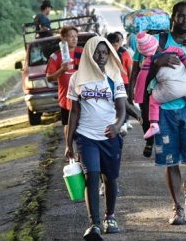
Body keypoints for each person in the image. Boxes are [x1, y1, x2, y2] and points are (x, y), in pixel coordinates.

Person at [131, 1, 186, 225]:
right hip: (163, 112)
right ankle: (177, 207)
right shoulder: (159, 42)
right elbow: (142, 72)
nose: (185, 21)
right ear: (173, 17)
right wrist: (157, 62)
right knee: (170, 160)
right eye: (181, 16)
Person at [64, 37, 127, 240]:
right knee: (92, 175)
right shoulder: (76, 79)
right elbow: (73, 113)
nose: (101, 56)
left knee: (110, 178)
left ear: (109, 54)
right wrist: (69, 143)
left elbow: (121, 107)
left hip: (109, 137)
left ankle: (110, 216)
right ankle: (94, 224)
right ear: (89, 54)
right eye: (97, 52)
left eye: (104, 52)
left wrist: (117, 126)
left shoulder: (114, 76)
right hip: (86, 136)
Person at [134, 31, 186, 140]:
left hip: (173, 89)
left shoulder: (149, 61)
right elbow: (185, 58)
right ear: (157, 44)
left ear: (144, 54)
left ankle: (154, 124)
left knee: (154, 100)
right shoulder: (172, 49)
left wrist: (138, 97)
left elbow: (141, 78)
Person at [47, 26, 83, 140]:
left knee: (82, 125)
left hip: (82, 96)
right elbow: (49, 78)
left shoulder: (82, 53)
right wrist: (62, 70)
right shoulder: (56, 56)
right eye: (71, 36)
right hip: (66, 99)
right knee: (68, 125)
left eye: (76, 36)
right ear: (63, 38)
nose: (74, 39)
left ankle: (82, 152)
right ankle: (70, 150)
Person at [106, 32, 135, 135]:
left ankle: (123, 123)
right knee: (116, 104)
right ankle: (118, 123)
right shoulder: (105, 54)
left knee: (122, 103)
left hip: (124, 82)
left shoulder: (124, 53)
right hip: (110, 82)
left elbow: (130, 70)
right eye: (113, 44)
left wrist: (132, 85)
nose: (115, 46)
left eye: (116, 44)